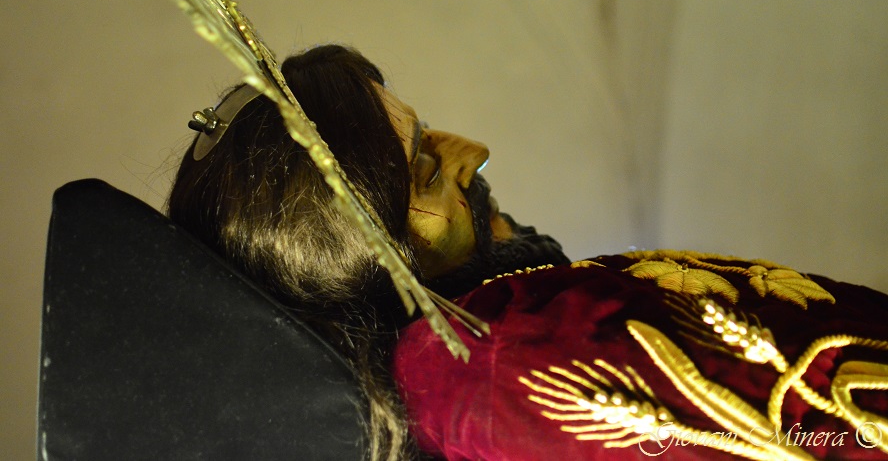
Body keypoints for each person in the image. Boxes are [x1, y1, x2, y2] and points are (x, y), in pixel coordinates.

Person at [169, 44, 888, 460]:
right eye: (425, 168)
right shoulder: (497, 358)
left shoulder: (499, 335)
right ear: (363, 260)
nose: (475, 154)